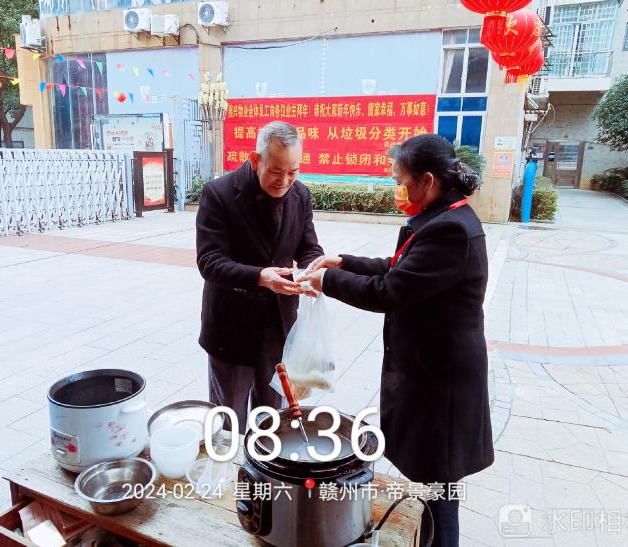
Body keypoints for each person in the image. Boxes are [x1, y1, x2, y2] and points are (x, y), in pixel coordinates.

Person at [300, 134, 494, 547]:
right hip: (433, 367)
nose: (397, 188)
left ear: (427, 180)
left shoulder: (451, 230)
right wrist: (344, 262)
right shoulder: (440, 218)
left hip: (443, 380)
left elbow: (390, 291)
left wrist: (328, 280)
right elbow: (398, 266)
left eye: (400, 179)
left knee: (440, 485)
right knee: (435, 477)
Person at [196, 121, 323, 433]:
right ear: (255, 160)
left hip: (278, 328)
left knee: (272, 419)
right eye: (276, 171)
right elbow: (209, 262)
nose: (285, 181)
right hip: (231, 328)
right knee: (228, 421)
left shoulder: (300, 195)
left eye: (293, 171)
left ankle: (264, 462)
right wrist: (260, 276)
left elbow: (309, 246)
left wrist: (312, 270)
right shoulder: (219, 194)